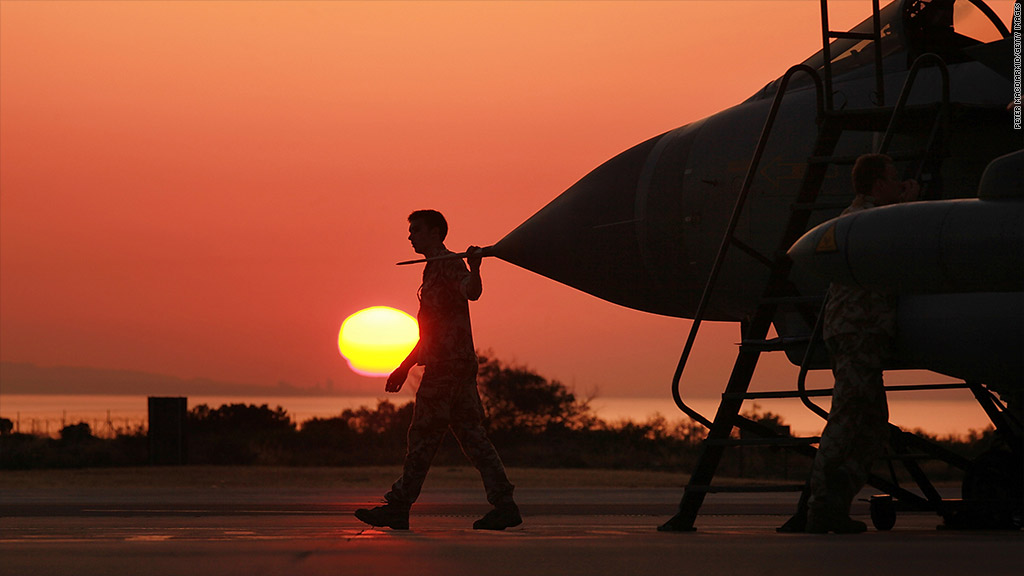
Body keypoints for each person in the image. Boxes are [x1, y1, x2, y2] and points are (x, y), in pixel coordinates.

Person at [355, 209, 521, 531]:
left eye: (416, 230)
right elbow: (430, 332)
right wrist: (404, 367)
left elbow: (471, 292)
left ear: (435, 233)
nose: (410, 236)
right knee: (473, 438)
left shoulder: (447, 264)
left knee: (423, 435)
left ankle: (398, 507)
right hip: (455, 365)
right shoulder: (432, 269)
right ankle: (505, 505)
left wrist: (475, 267)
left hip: (447, 369)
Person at [803, 154, 920, 534]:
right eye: (893, 178)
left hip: (862, 334)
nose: (898, 183)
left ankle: (834, 504)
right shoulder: (865, 219)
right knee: (848, 418)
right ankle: (822, 507)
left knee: (869, 425)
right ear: (877, 183)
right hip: (857, 333)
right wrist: (911, 205)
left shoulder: (869, 216)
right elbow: (897, 239)